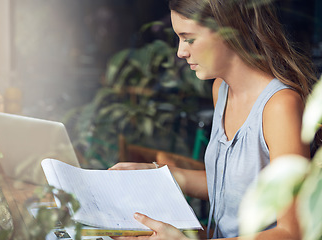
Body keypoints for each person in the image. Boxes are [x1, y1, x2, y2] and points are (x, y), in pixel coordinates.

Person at [109, 0, 317, 239]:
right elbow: (230, 184)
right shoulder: (222, 89)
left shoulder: (280, 106)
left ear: (230, 30)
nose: (181, 51)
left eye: (188, 38)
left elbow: (292, 232)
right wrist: (158, 175)